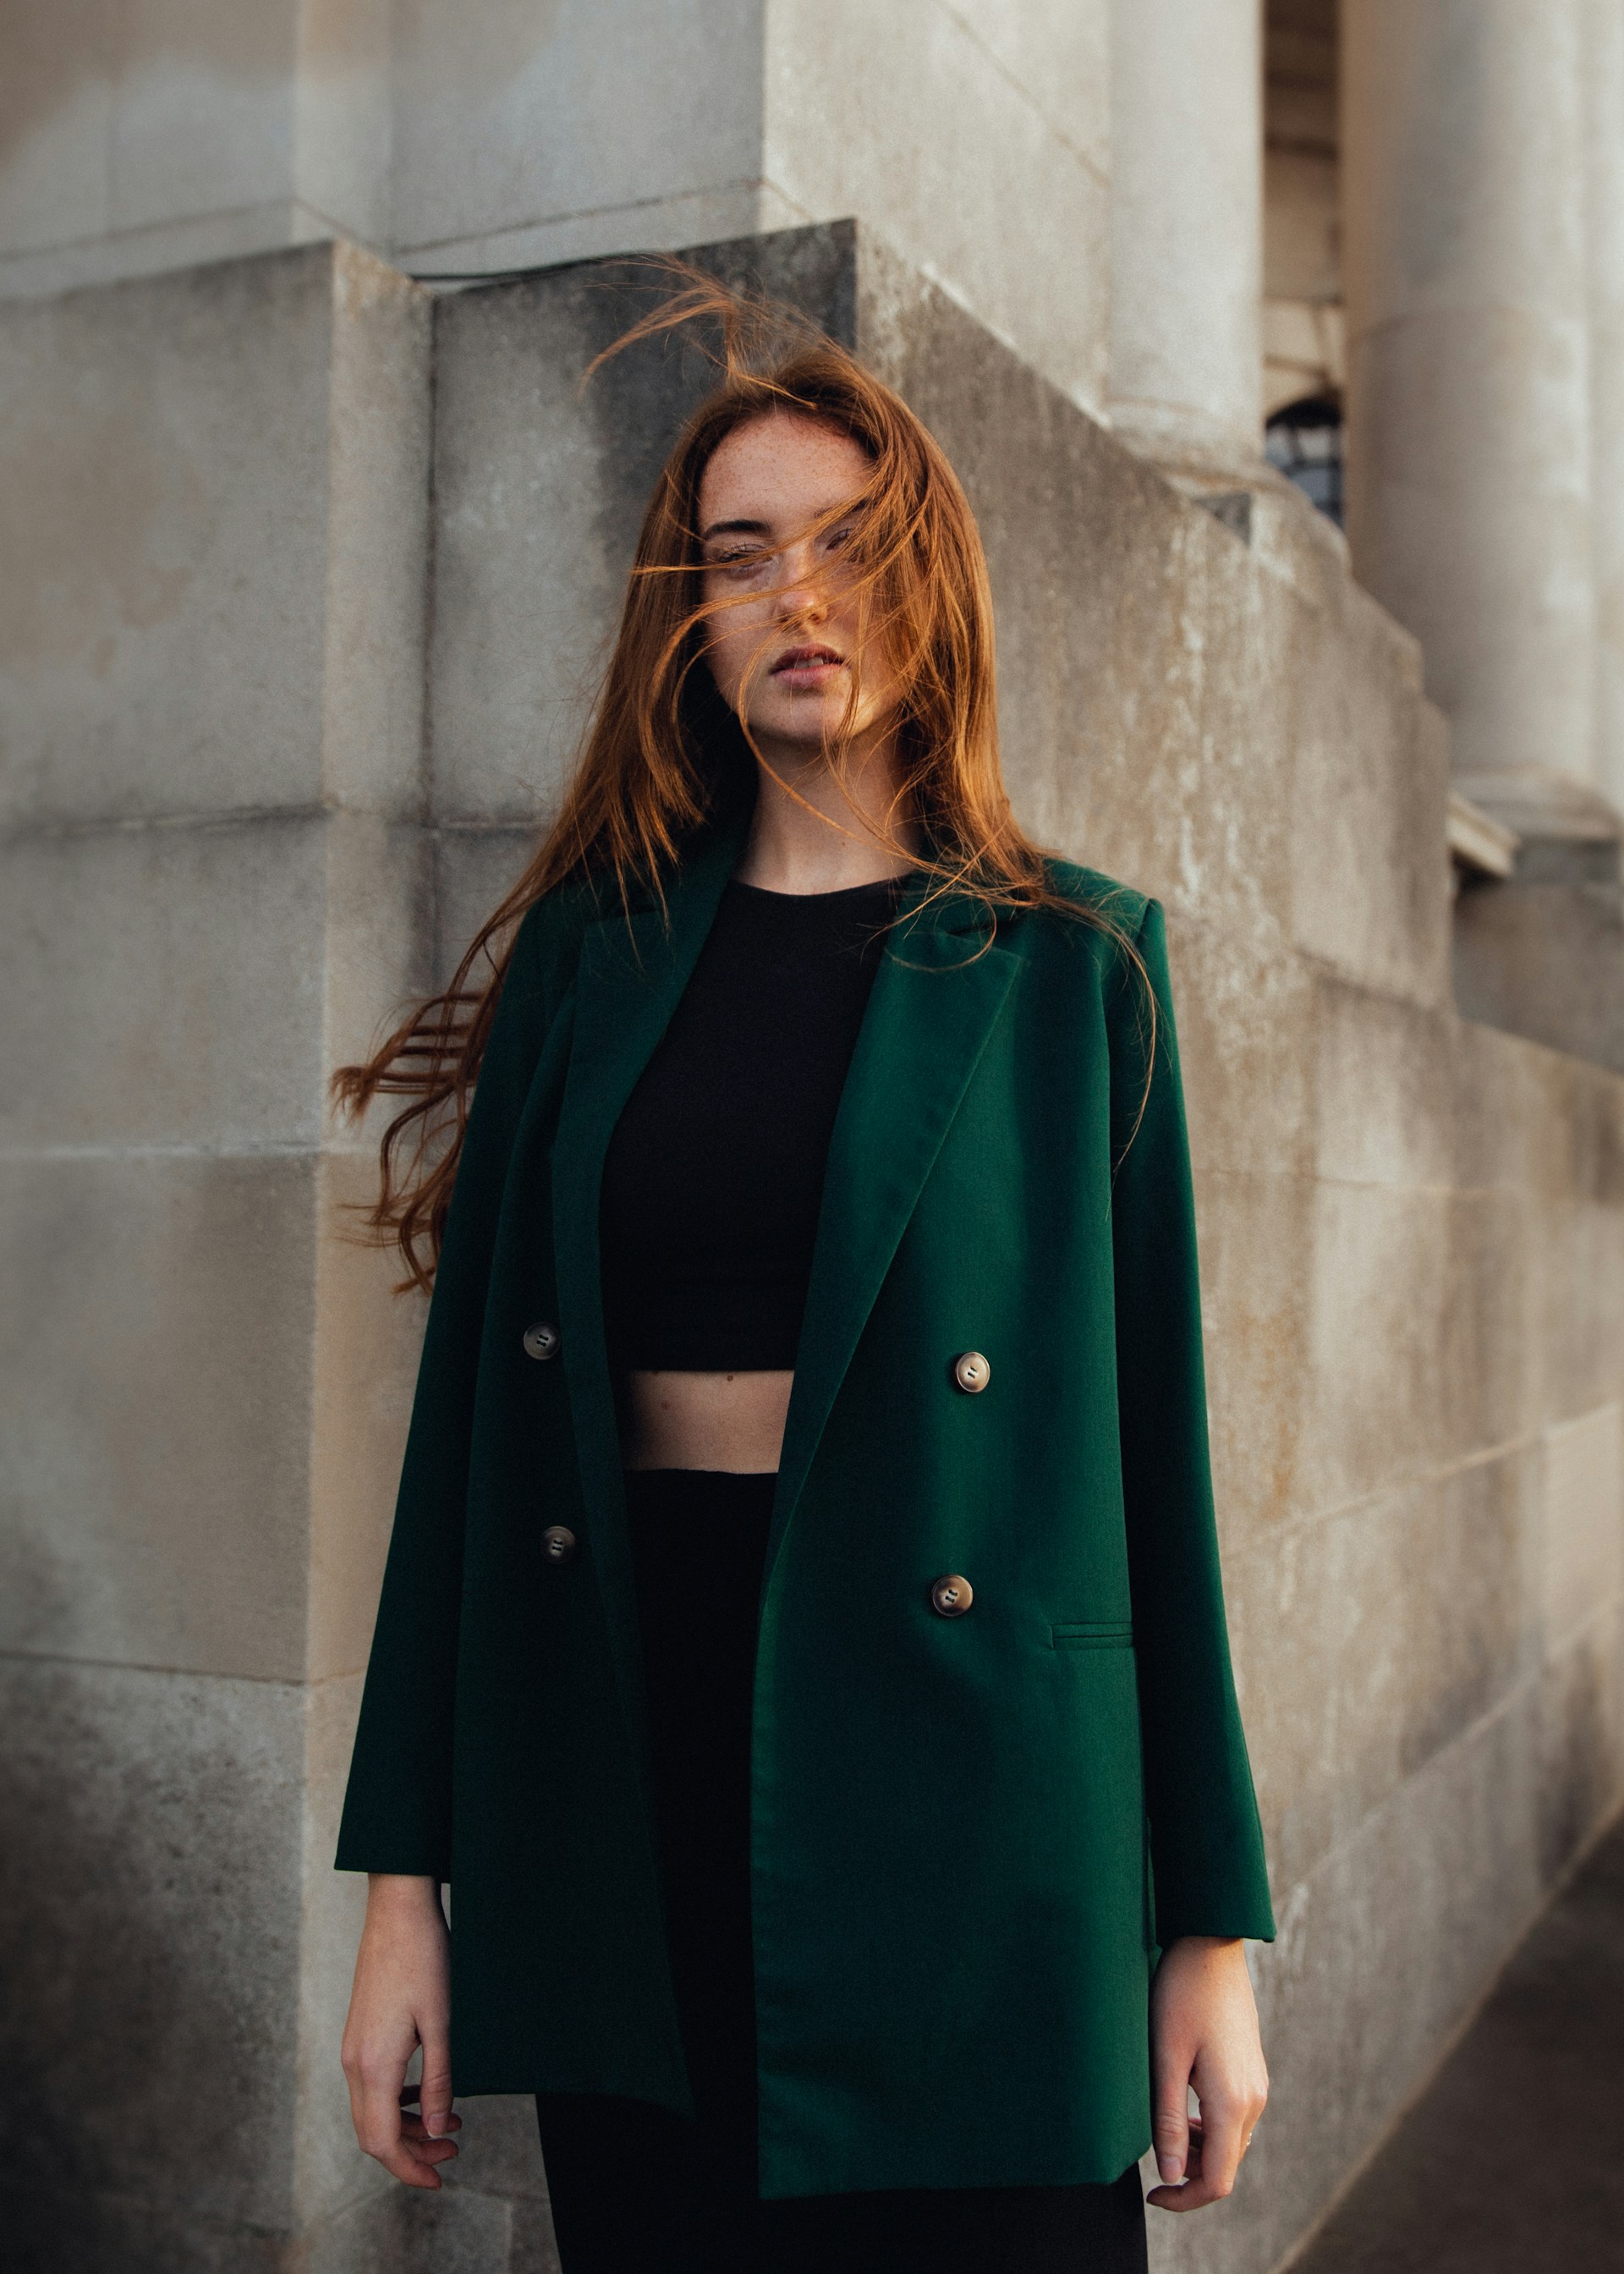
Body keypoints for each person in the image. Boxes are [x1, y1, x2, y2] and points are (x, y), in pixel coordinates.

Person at [332, 282, 1275, 2274]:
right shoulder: (591, 961)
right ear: (691, 618)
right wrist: (405, 1890)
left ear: (930, 590)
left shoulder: (1072, 966)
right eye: (742, 555)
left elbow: (1155, 1478)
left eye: (849, 545)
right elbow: (469, 1454)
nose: (799, 594)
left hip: (972, 1798)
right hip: (633, 1757)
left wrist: (1210, 1930)